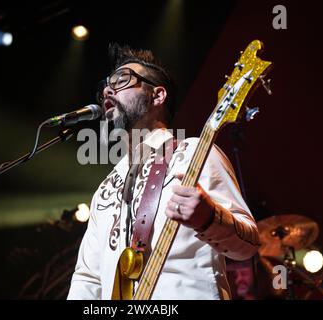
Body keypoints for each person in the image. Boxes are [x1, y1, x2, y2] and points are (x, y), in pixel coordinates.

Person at [67, 43, 260, 300]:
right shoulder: (105, 188)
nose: (107, 90)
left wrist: (210, 218)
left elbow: (248, 246)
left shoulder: (194, 153)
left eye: (122, 80)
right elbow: (87, 277)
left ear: (158, 96)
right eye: (106, 84)